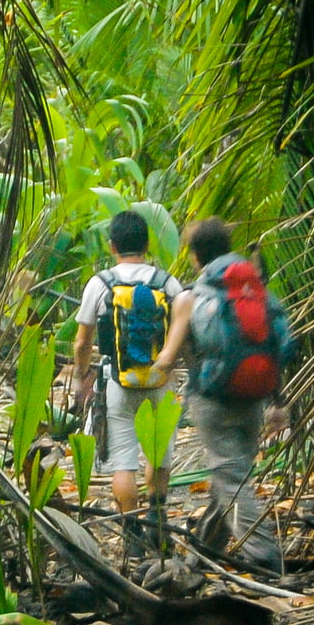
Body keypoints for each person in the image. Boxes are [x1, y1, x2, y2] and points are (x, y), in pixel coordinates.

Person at [155, 217, 295, 571]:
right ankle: (204, 550)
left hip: (213, 397)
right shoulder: (256, 290)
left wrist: (152, 369)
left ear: (194, 255)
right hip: (255, 394)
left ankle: (263, 553)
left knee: (231, 477)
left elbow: (170, 356)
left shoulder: (192, 296)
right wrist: (278, 402)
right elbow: (277, 343)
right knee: (233, 472)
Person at [70, 209, 187, 519]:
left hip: (115, 383)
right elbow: (182, 330)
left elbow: (82, 342)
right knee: (158, 453)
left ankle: (130, 531)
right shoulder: (167, 283)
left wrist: (81, 376)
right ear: (147, 245)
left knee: (123, 462)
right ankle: (157, 520)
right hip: (161, 381)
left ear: (112, 246)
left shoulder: (100, 284)